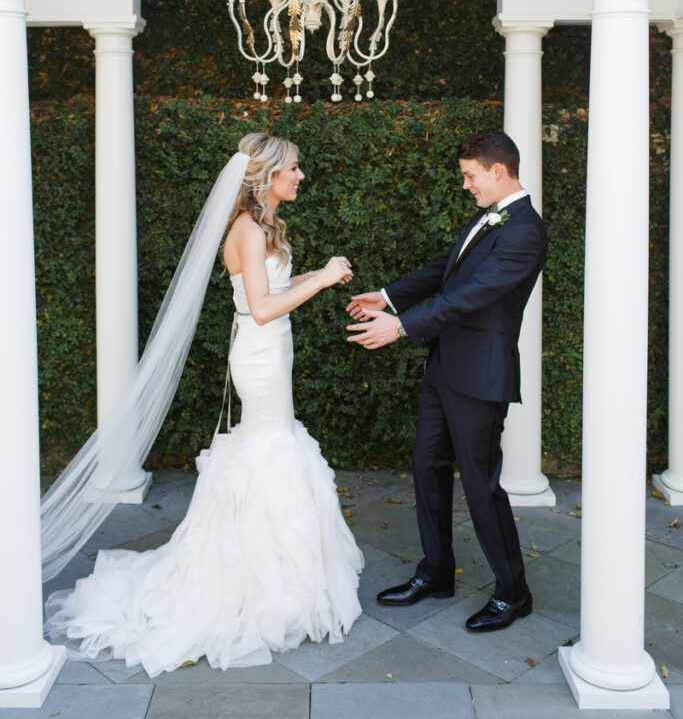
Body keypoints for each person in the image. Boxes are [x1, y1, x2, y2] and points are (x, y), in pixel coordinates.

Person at [44, 133, 363, 675]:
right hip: (260, 356)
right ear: (265, 174)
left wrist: (321, 276)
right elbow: (262, 308)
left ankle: (276, 578)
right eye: (293, 167)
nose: (300, 175)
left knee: (273, 446)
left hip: (270, 352)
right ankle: (257, 582)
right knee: (269, 448)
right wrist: (325, 278)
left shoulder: (262, 225)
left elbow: (274, 290)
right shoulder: (245, 227)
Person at [346, 129, 547, 632]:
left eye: (470, 176)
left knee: (481, 486)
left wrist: (403, 325)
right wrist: (389, 297)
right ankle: (436, 573)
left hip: (480, 376)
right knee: (426, 467)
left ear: (497, 171)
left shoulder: (524, 231)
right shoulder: (487, 217)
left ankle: (513, 591)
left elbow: (471, 295)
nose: (466, 185)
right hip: (444, 366)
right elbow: (448, 271)